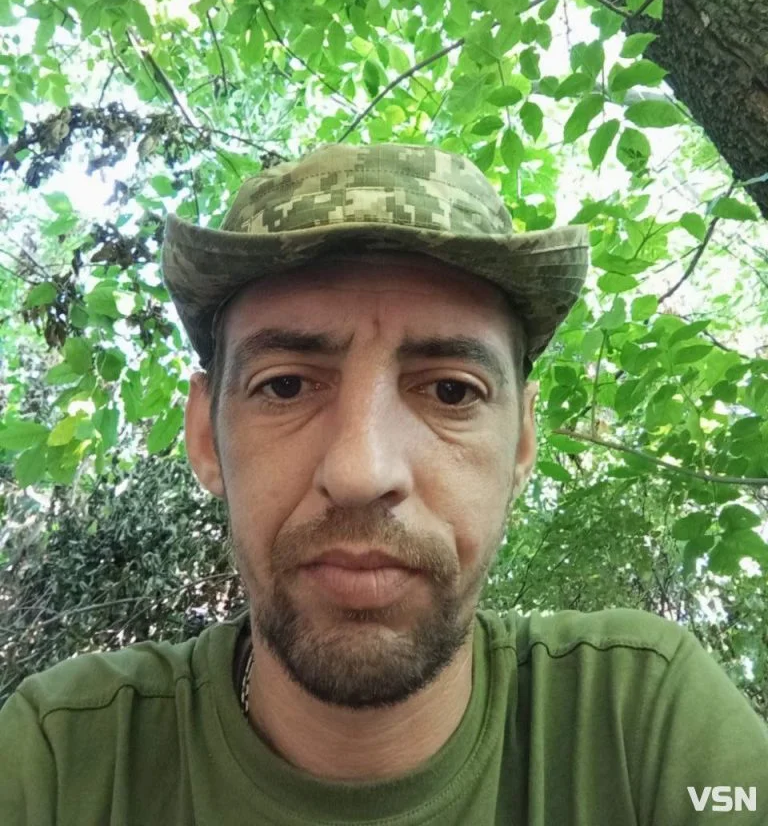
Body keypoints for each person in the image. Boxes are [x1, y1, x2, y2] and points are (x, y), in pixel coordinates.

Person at [1, 142, 767, 825]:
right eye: (285, 385)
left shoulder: (640, 725)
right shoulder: (61, 764)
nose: (361, 472)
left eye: (452, 391)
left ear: (523, 442)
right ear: (205, 435)